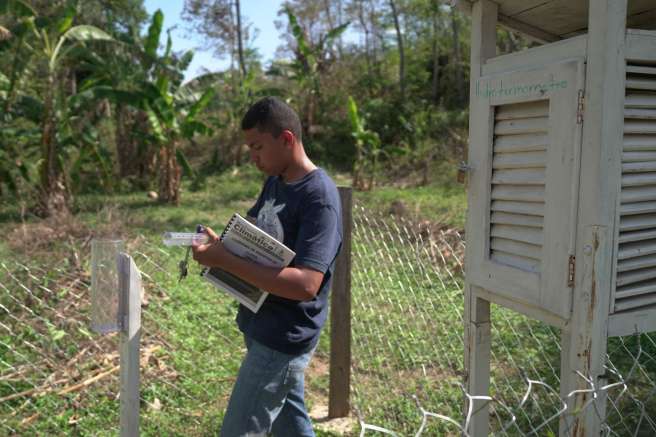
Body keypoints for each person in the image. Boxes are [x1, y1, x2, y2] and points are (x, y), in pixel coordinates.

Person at [191, 96, 343, 437]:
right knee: (291, 426)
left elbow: (306, 284)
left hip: (283, 336)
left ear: (286, 139)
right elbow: (253, 234)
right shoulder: (276, 181)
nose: (252, 158)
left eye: (257, 147)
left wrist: (225, 259)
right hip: (260, 323)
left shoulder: (319, 197)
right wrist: (220, 246)